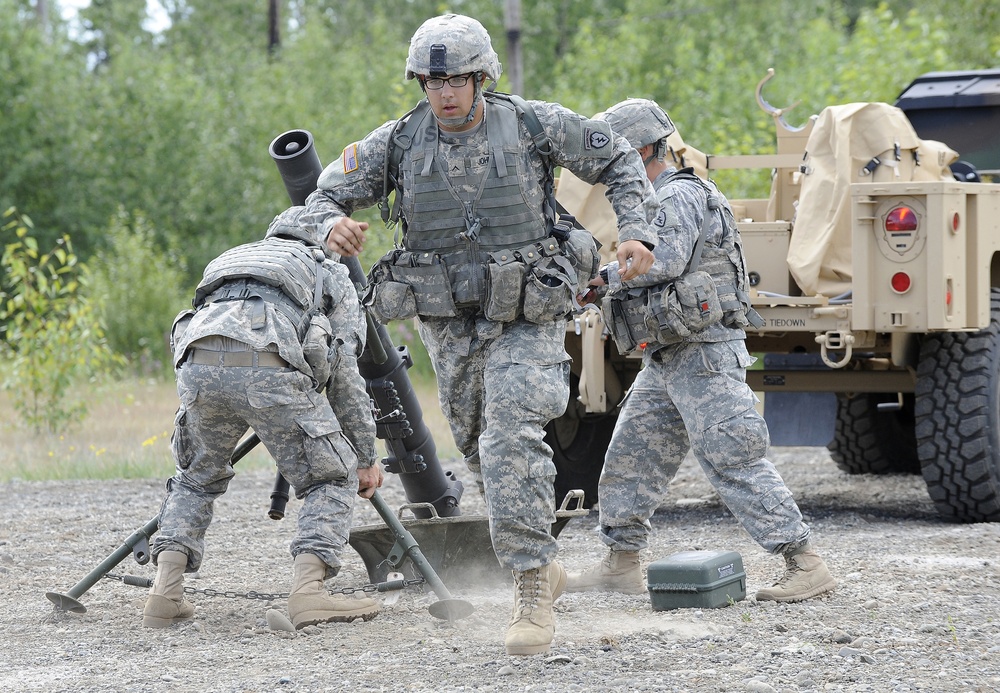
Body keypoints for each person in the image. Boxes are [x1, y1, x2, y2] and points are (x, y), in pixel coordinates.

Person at [299, 14, 660, 655]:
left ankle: (528, 585)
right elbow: (323, 194)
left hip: (529, 312)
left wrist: (636, 230)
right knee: (474, 442)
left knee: (511, 434)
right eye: (431, 82)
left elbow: (620, 159)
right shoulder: (400, 143)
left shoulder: (531, 124)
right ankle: (541, 564)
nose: (443, 93)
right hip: (448, 319)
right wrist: (329, 224)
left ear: (481, 76)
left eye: (455, 80)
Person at [567, 98, 837, 603]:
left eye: (614, 158)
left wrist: (598, 281)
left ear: (643, 149)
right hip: (667, 355)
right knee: (631, 456)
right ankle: (621, 562)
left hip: (705, 354)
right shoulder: (652, 200)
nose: (606, 172)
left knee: (732, 455)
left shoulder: (676, 197)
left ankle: (805, 562)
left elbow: (657, 261)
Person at [144, 206, 384, 630]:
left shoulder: (232, 259)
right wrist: (364, 456)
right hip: (269, 367)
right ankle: (309, 595)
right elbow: (345, 368)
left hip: (196, 366)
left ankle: (164, 594)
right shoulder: (329, 272)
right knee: (332, 476)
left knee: (195, 477)